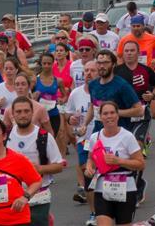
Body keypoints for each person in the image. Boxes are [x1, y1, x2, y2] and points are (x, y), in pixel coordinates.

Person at [114, 40, 155, 205]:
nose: (128, 53)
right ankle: (139, 182)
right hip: (123, 116)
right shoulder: (117, 71)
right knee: (126, 152)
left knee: (137, 147)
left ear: (138, 52)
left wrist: (152, 95)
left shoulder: (146, 70)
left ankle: (134, 187)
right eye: (126, 51)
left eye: (132, 50)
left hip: (142, 115)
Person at [84, 102, 145, 226]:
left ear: (117, 116)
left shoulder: (127, 137)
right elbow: (90, 158)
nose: (109, 116)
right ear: (100, 117)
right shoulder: (95, 137)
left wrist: (119, 161)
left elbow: (141, 164)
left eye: (112, 113)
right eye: (105, 113)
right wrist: (89, 167)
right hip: (102, 188)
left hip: (126, 188)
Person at [7, 98, 64, 226]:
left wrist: (39, 169)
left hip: (39, 195)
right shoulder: (7, 136)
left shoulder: (44, 136)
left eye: (26, 111)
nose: (23, 115)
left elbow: (59, 166)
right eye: (19, 111)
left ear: (32, 113)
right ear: (13, 114)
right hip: (13, 195)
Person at [64, 61, 98, 216]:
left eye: (92, 70)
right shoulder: (76, 93)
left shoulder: (103, 91)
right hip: (83, 139)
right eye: (86, 71)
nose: (88, 74)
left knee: (102, 174)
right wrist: (70, 119)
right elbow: (68, 113)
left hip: (103, 138)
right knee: (87, 172)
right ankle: (94, 212)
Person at [84, 51, 143, 135]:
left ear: (113, 64)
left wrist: (113, 113)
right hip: (98, 132)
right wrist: (84, 125)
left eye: (105, 63)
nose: (101, 66)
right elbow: (92, 107)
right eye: (99, 63)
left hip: (119, 134)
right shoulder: (92, 85)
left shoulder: (122, 85)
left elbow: (139, 111)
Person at [32, 53, 67, 136]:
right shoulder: (35, 80)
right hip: (39, 116)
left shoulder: (58, 81)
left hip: (53, 115)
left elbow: (65, 96)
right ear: (41, 63)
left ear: (53, 63)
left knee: (51, 139)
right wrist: (33, 96)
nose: (46, 66)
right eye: (44, 63)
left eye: (49, 63)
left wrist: (62, 100)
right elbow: (28, 97)